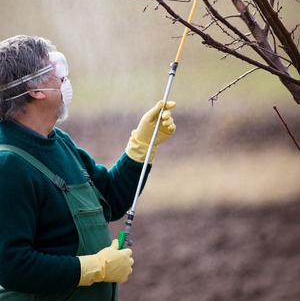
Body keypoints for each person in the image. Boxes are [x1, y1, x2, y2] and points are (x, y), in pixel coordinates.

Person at [0, 35, 176, 301]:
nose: (64, 80)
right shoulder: (8, 165)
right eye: (56, 71)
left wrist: (141, 146)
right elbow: (12, 265)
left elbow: (112, 198)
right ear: (35, 90)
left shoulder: (59, 142)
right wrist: (93, 268)